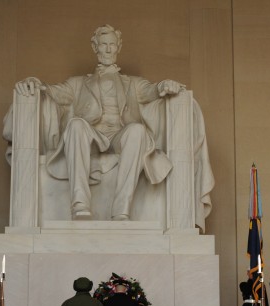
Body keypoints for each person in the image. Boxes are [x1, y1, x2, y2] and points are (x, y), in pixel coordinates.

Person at [13, 25, 186, 221]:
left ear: (119, 47)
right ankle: (80, 205)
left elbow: (152, 90)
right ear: (95, 47)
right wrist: (35, 82)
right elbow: (53, 91)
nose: (108, 49)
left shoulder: (134, 83)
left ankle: (122, 210)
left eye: (112, 44)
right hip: (91, 137)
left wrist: (165, 85)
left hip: (120, 137)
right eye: (103, 45)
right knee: (76, 124)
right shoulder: (78, 83)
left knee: (138, 130)